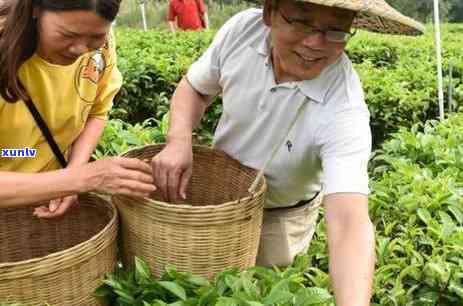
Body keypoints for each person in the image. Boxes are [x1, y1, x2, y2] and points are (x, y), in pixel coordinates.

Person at [151, 0, 424, 304]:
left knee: (260, 293)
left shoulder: (344, 107)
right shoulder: (243, 30)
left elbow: (349, 224)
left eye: (335, 31)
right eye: (302, 21)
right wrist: (178, 140)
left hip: (280, 218)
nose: (314, 43)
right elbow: (196, 87)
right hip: (220, 200)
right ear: (270, 12)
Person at [0, 0, 156, 217]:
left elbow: (97, 111)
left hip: (44, 201)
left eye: (95, 37)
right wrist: (80, 179)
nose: (81, 49)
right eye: (67, 34)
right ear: (35, 8)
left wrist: (71, 176)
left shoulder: (100, 50)